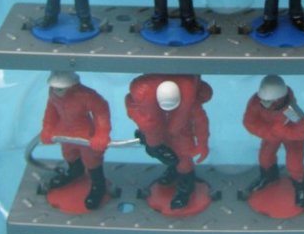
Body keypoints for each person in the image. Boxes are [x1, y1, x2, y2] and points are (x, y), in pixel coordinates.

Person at [125, 74, 212, 210]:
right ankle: (172, 170)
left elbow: (201, 122)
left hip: (182, 131)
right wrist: (143, 125)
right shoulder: (144, 94)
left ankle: (185, 187)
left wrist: (202, 144)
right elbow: (131, 105)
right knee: (166, 154)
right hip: (159, 131)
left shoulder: (190, 102)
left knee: (184, 160)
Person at [40, 70, 111, 210]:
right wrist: (48, 128)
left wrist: (101, 134)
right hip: (65, 131)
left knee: (92, 159)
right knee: (69, 154)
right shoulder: (53, 94)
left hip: (85, 133)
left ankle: (98, 184)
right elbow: (51, 110)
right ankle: (75, 172)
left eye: (61, 88)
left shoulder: (86, 95)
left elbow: (101, 111)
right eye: (55, 87)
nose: (57, 91)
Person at [242, 75, 304, 208]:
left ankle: (301, 186)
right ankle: (269, 176)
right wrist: (269, 132)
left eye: (270, 101)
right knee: (265, 157)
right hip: (271, 133)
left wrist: (284, 131)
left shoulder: (291, 110)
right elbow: (249, 122)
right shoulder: (256, 103)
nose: (266, 104)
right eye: (264, 100)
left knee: (294, 164)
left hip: (292, 138)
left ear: (279, 99)